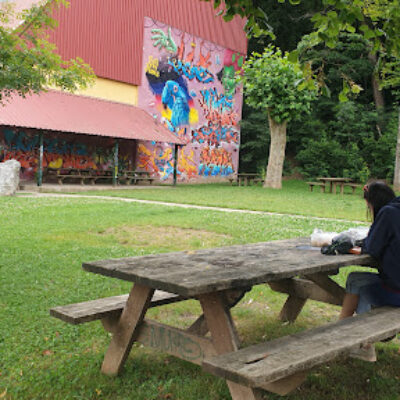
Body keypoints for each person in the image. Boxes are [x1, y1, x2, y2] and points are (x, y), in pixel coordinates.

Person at [339, 180, 400, 361]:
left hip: (397, 292)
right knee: (355, 279)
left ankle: (364, 344)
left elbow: (371, 248)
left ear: (371, 203)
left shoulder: (388, 213)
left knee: (362, 290)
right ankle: (346, 334)